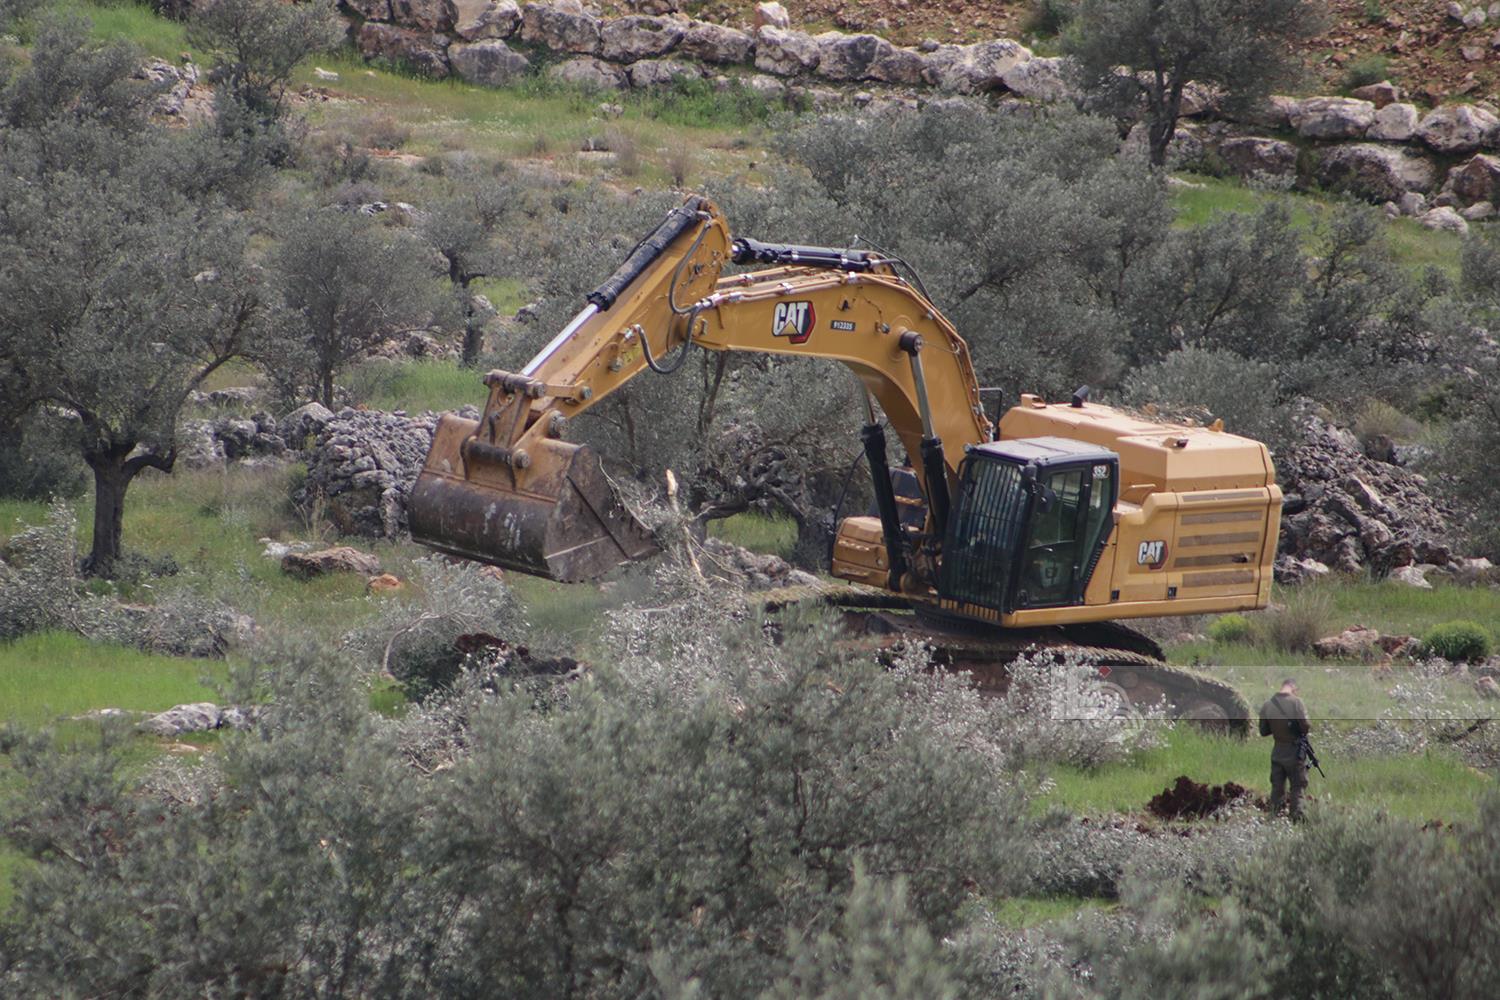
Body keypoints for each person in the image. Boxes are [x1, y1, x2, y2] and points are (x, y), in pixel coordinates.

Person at [1258, 678, 1311, 820]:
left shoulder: (1267, 705)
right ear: (1293, 688)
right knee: (1298, 786)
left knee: (1277, 788)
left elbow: (1263, 731)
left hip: (1277, 752)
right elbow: (1305, 726)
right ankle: (1296, 818)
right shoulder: (1297, 702)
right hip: (1294, 752)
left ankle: (1275, 817)